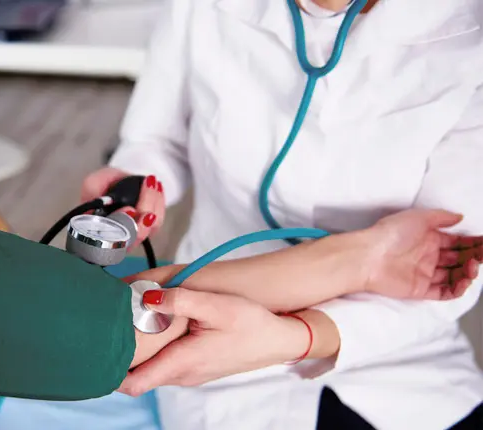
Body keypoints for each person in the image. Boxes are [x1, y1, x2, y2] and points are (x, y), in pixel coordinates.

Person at [0, 1, 479, 430]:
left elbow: (449, 276)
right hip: (217, 346)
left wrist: (301, 332)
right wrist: (361, 257)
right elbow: (111, 320)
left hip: (393, 359)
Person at [83, 0, 483, 428]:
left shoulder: (469, 32)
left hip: (393, 347)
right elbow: (153, 141)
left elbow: (451, 266)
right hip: (209, 334)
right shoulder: (202, 8)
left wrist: (295, 337)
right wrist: (135, 185)